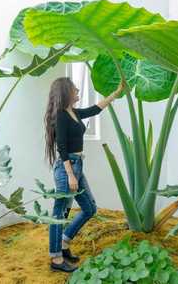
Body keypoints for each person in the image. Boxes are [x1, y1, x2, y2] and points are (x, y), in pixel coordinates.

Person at [44, 76, 124, 272]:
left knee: (89, 208)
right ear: (66, 92)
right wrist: (70, 174)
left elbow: (95, 109)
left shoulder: (74, 113)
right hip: (67, 168)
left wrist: (115, 93)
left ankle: (63, 243)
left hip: (77, 165)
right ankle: (55, 259)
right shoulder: (61, 115)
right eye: (75, 89)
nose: (78, 91)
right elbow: (62, 147)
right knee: (59, 214)